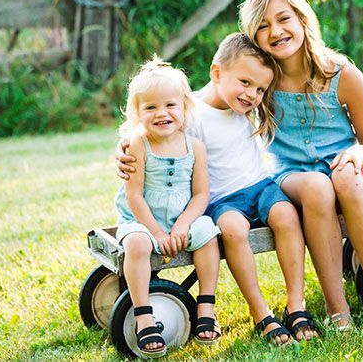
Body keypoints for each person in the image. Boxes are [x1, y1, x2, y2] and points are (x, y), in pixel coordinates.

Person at [117, 33, 320, 345]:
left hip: (260, 186)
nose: (252, 94)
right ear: (217, 73)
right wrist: (123, 149)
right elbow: (155, 134)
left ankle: (296, 306)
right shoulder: (189, 112)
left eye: (260, 89)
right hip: (222, 200)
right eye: (245, 83)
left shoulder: (245, 106)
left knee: (286, 216)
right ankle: (261, 313)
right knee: (233, 230)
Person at [238, 0, 363, 329]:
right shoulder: (261, 80)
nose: (275, 30)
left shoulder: (342, 74)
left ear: (303, 19)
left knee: (345, 177)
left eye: (283, 18)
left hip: (347, 172)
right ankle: (339, 311)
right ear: (254, 38)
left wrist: (361, 155)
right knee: (318, 186)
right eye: (262, 26)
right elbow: (212, 97)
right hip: (292, 175)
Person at [114, 58, 222, 358]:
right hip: (142, 220)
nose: (162, 113)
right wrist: (157, 232)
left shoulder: (194, 147)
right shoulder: (138, 144)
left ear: (185, 107)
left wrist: (182, 225)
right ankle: (143, 314)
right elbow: (134, 197)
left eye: (170, 105)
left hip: (181, 219)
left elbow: (201, 195)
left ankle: (206, 306)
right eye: (150, 108)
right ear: (137, 113)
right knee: (136, 243)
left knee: (208, 234)